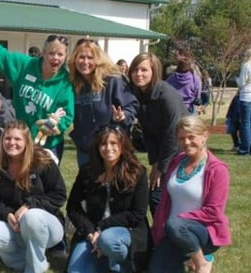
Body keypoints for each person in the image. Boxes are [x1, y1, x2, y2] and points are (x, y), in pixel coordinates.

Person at [0, 10, 75, 163]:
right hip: (19, 139)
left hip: (48, 144)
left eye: (60, 54)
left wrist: (56, 125)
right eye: (52, 53)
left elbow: (66, 113)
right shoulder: (24, 66)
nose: (56, 58)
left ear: (65, 56)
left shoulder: (66, 82)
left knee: (43, 185)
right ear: (44, 53)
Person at [0, 120, 66, 273]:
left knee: (31, 217)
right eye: (7, 138)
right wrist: (6, 214)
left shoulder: (43, 161)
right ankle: (22, 262)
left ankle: (34, 269)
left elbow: (59, 195)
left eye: (17, 139)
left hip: (45, 226)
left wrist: (29, 205)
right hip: (13, 225)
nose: (11, 143)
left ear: (27, 141)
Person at [148, 116, 231, 273]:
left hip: (202, 232)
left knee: (176, 225)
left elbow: (214, 211)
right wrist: (159, 226)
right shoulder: (177, 161)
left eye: (191, 137)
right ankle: (187, 260)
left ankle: (201, 262)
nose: (186, 143)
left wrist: (178, 221)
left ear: (204, 136)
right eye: (181, 138)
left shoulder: (218, 170)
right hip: (172, 232)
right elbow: (165, 201)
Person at [67, 124, 149, 273]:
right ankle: (104, 260)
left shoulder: (137, 172)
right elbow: (73, 206)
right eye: (103, 143)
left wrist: (102, 228)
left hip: (124, 232)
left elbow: (138, 213)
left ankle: (121, 267)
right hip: (92, 234)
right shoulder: (87, 171)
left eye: (113, 143)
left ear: (122, 145)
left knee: (108, 241)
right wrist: (90, 232)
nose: (108, 148)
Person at [129, 53, 187, 215]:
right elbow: (148, 132)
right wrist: (155, 161)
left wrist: (160, 167)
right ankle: (160, 236)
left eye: (144, 70)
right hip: (163, 153)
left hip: (183, 151)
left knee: (159, 197)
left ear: (154, 71)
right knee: (156, 199)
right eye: (135, 70)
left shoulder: (166, 95)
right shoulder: (139, 94)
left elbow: (173, 133)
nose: (138, 74)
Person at [67, 39, 138, 167]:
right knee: (88, 186)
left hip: (111, 149)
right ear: (74, 59)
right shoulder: (74, 83)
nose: (85, 62)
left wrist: (123, 116)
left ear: (98, 60)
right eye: (81, 57)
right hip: (86, 150)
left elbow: (132, 105)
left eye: (90, 57)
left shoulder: (113, 80)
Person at [236, 47, 251, 155]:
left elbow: (242, 82)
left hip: (246, 96)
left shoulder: (246, 66)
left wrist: (237, 79)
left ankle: (245, 148)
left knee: (245, 123)